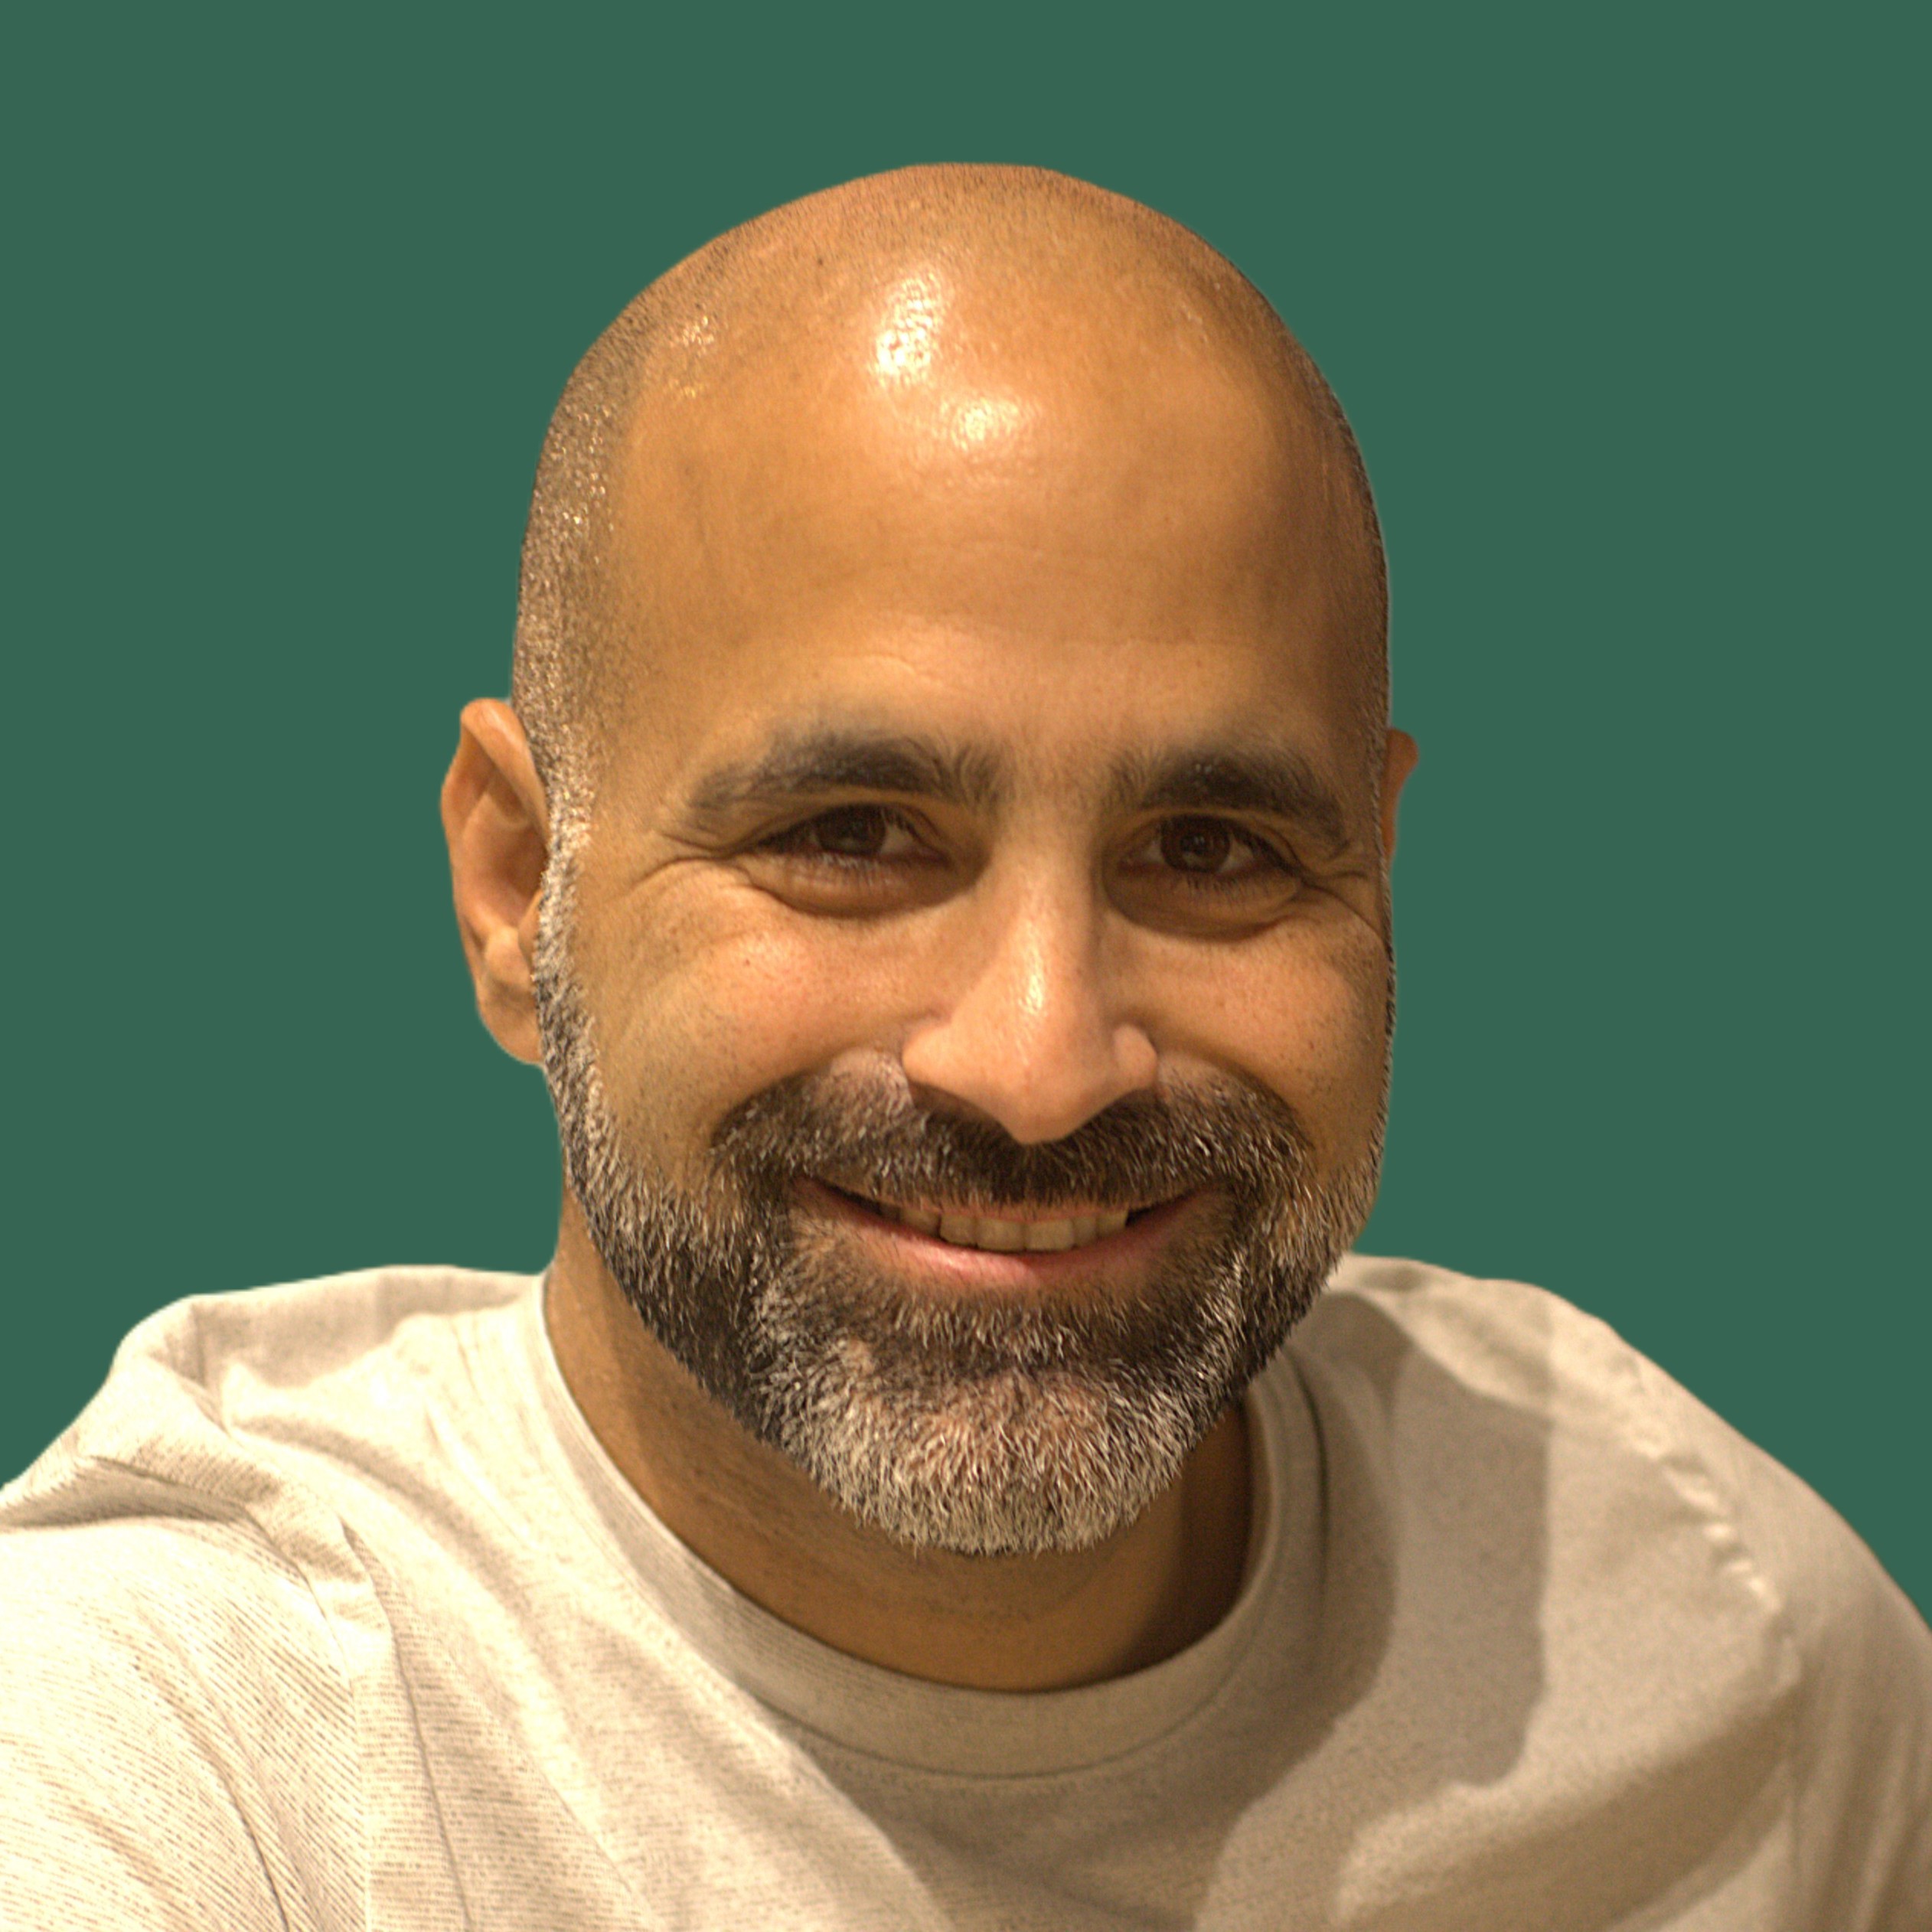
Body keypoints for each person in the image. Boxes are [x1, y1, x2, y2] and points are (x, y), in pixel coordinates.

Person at [2, 163, 1926, 1931]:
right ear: (521, 883)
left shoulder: (1712, 1636)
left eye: (1210, 849)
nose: (1040, 1061)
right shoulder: (180, 1745)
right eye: (850, 836)